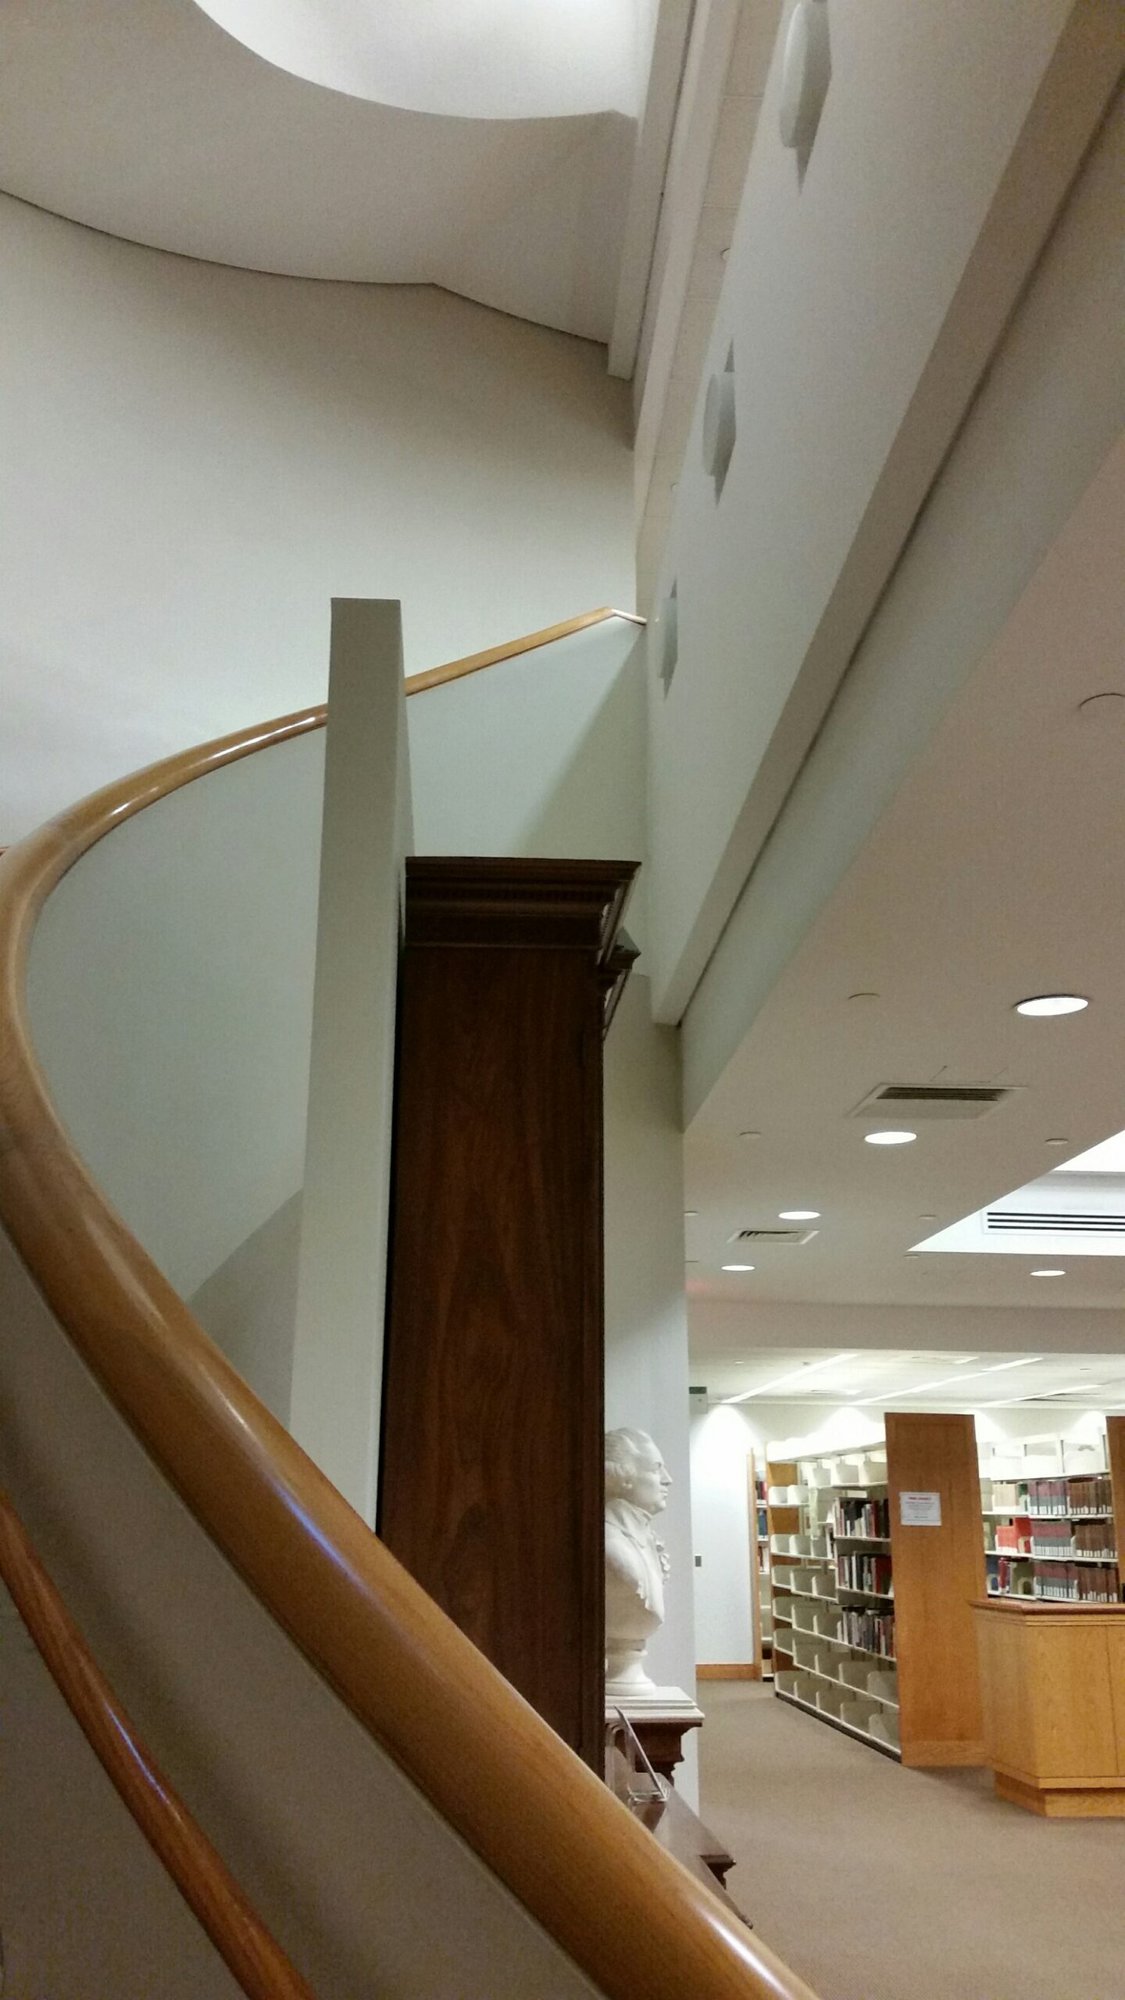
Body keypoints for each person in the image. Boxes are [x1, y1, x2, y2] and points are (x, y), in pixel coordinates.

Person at [604, 1428, 672, 1693]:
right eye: (656, 1469)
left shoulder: (642, 1540)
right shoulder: (612, 1547)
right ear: (625, 1478)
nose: (668, 1480)